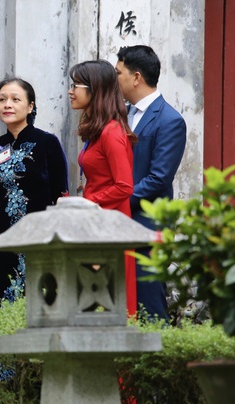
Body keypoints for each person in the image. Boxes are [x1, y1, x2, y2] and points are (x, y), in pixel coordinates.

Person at [0, 78, 69, 303]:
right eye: (2, 99)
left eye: (16, 99)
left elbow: (60, 196)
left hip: (37, 240)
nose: (8, 105)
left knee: (37, 302)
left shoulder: (47, 143)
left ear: (30, 106)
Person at [116, 45, 187, 320]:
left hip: (146, 227)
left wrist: (118, 201)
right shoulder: (122, 114)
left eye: (118, 73)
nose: (115, 79)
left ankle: (160, 362)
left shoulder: (170, 120)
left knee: (149, 307)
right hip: (120, 226)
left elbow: (159, 178)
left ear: (136, 77)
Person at [69, 60, 138, 315]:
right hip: (96, 222)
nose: (70, 91)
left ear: (95, 89)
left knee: (111, 299)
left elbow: (124, 186)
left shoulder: (112, 132)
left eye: (76, 85)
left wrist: (88, 202)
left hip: (111, 225)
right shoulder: (98, 130)